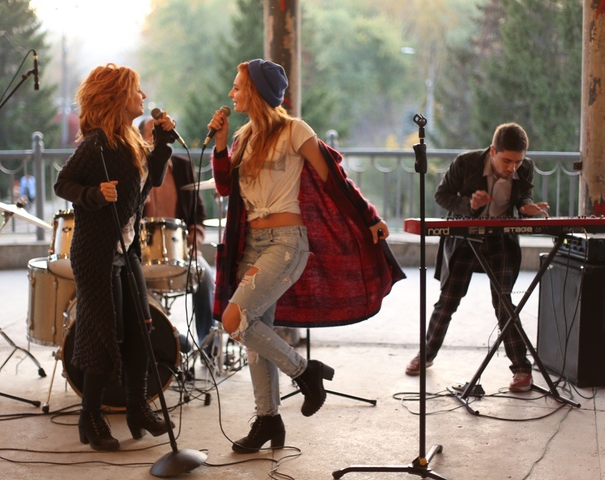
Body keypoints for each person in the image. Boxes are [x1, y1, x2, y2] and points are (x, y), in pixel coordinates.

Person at [207, 59, 405, 454]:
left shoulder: (295, 130)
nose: (231, 94)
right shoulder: (244, 138)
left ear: (257, 91)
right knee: (253, 334)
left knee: (235, 320)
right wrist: (220, 145)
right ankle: (268, 420)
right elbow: (226, 188)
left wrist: (370, 217)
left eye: (238, 87)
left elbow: (335, 179)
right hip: (251, 245)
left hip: (286, 243)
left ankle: (306, 372)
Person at [54, 63, 177, 451]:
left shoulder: (131, 142)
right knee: (103, 333)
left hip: (127, 251)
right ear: (118, 97)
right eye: (137, 90)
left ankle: (138, 408)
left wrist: (162, 143)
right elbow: (63, 183)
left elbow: (152, 180)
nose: (143, 96)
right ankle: (90, 417)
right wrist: (93, 195)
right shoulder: (97, 145)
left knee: (141, 328)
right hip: (96, 253)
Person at [404, 122, 549, 393]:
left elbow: (523, 197)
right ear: (493, 151)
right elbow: (441, 196)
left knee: (504, 303)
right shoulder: (465, 162)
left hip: (501, 237)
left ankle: (522, 369)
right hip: (464, 236)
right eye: (507, 161)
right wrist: (469, 205)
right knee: (448, 300)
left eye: (518, 162)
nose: (513, 168)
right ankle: (426, 355)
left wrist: (526, 207)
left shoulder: (525, 167)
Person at [138, 117, 216, 357]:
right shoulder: (135, 169)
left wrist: (195, 237)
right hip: (141, 255)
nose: (156, 138)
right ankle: (162, 343)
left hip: (181, 251)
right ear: (141, 139)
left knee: (205, 277)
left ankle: (208, 346)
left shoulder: (182, 167)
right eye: (152, 133)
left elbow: (198, 214)